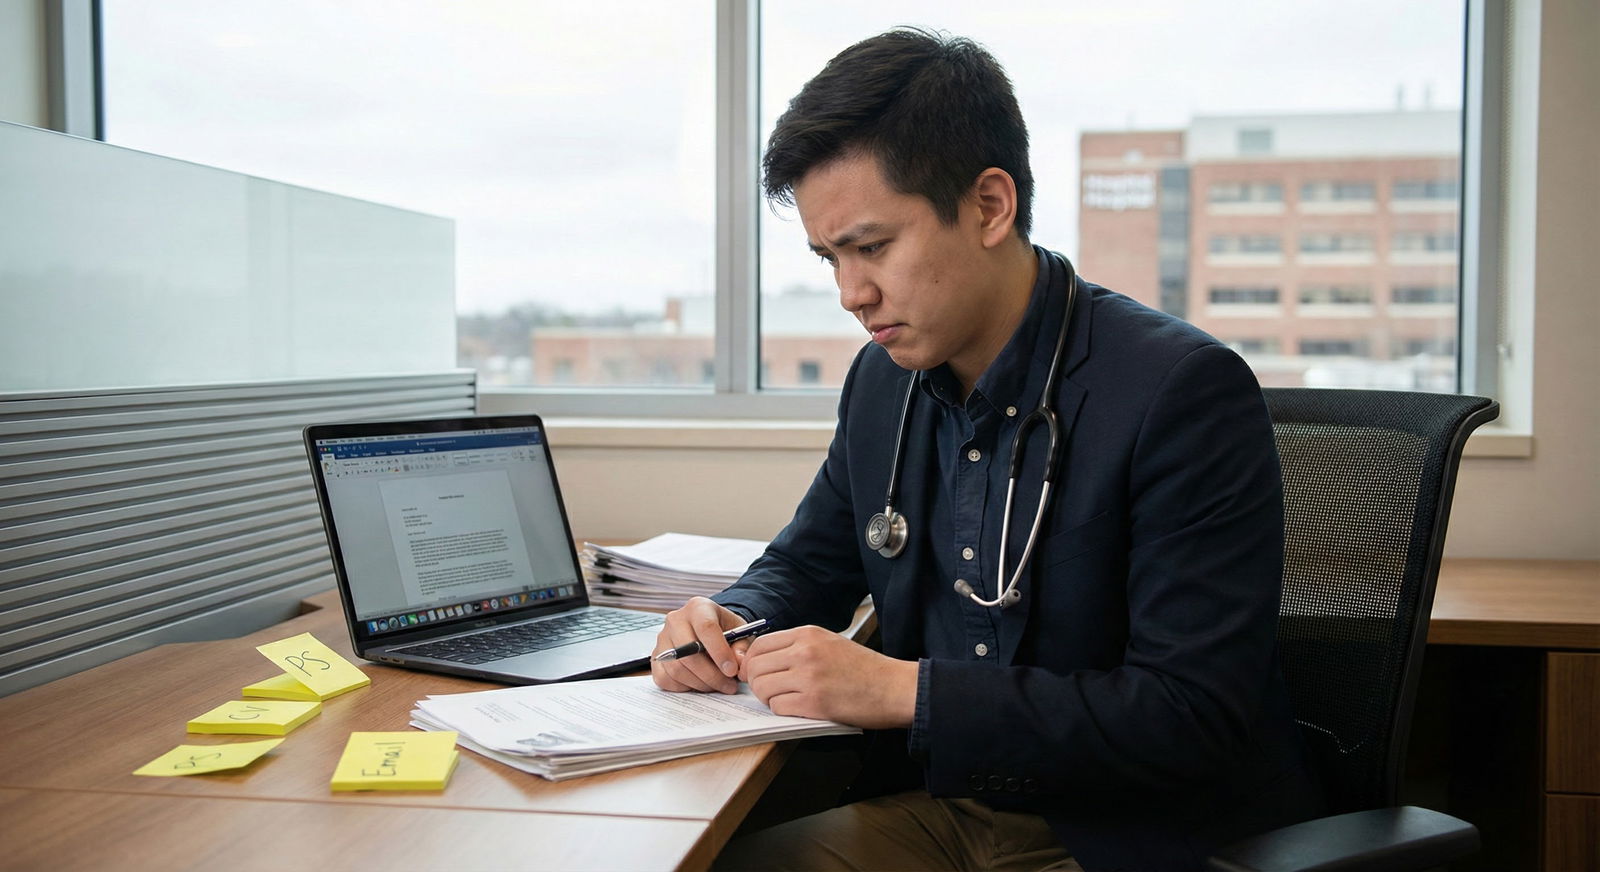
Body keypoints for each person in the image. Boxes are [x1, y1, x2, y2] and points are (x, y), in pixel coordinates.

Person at [651, 27, 1321, 872]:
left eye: (872, 247)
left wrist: (906, 692)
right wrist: (728, 619)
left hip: (1128, 835)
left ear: (990, 207)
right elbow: (808, 564)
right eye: (830, 258)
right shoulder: (884, 381)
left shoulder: (1178, 391)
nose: (851, 293)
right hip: (945, 809)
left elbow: (1189, 715)